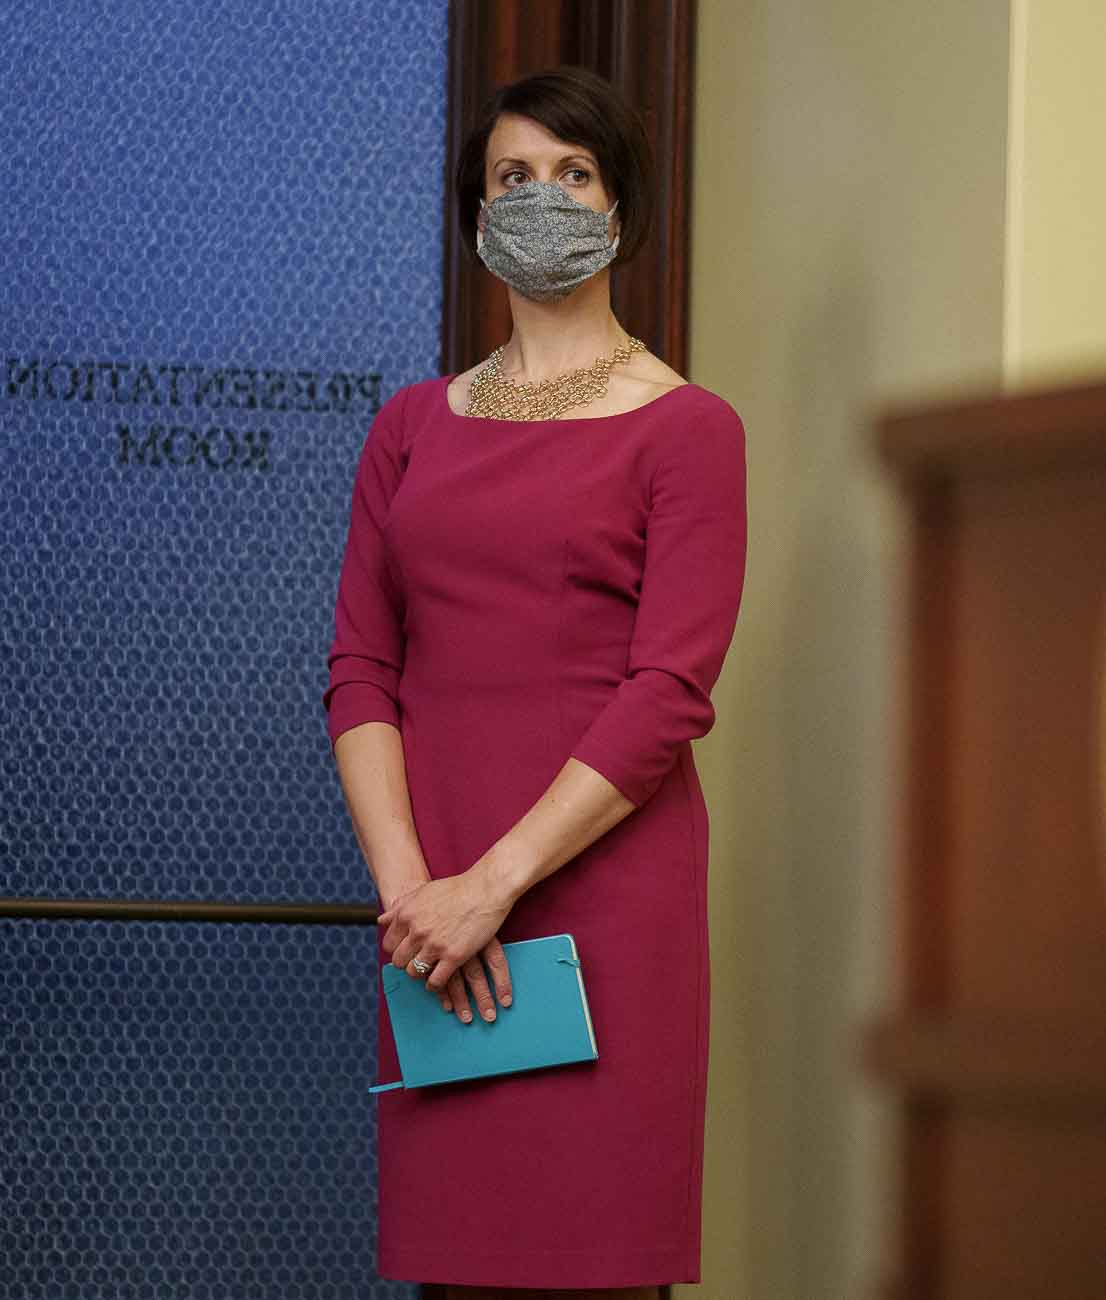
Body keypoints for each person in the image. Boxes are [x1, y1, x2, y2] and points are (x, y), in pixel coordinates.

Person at [322, 65, 747, 1299]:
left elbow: (671, 688)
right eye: (514, 177)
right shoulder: (409, 427)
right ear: (474, 220)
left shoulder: (688, 428)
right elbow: (359, 670)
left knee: (597, 1269)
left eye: (574, 174)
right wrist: (418, 901)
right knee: (459, 1273)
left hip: (603, 905)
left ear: (621, 213)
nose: (542, 198)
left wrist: (493, 886)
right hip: (440, 920)